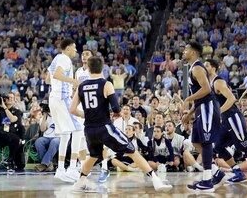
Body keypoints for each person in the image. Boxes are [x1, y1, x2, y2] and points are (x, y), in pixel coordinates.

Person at [71, 55, 171, 193]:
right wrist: (113, 113)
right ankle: (156, 180)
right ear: (103, 69)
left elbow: (72, 109)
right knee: (132, 151)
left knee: (94, 156)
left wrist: (86, 114)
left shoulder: (81, 86)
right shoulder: (106, 84)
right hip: (104, 127)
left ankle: (80, 183)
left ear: (88, 69)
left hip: (89, 129)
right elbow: (117, 108)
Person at [181, 41, 221, 192]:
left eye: (186, 49)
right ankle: (216, 172)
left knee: (205, 142)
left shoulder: (197, 67)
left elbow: (206, 90)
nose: (183, 51)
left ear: (193, 52)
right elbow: (198, 96)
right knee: (196, 141)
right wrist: (189, 114)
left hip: (207, 107)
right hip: (200, 108)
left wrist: (187, 99)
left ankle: (207, 181)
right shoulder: (193, 67)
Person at [47, 39, 83, 183]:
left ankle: (60, 169)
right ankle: (73, 168)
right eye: (74, 48)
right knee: (78, 130)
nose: (76, 51)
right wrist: (74, 82)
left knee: (65, 134)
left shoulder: (56, 59)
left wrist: (64, 83)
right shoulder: (64, 58)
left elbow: (48, 80)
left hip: (54, 98)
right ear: (68, 48)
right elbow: (56, 75)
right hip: (62, 98)